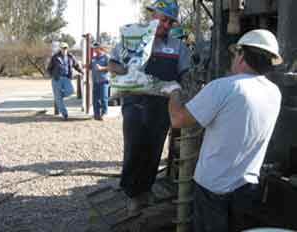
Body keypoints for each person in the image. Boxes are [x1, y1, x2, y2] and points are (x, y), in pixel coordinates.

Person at [162, 29, 283, 231]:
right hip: (247, 188)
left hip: (213, 189)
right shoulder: (274, 92)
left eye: (235, 54)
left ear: (242, 55)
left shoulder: (225, 87)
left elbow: (177, 119)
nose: (233, 60)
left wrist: (173, 91)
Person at [108, 0, 191, 214]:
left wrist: (182, 90)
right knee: (134, 147)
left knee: (154, 149)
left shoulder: (178, 47)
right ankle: (132, 194)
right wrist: (126, 71)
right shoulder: (131, 40)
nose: (166, 25)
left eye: (170, 22)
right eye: (162, 19)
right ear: (152, 16)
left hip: (162, 106)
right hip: (134, 102)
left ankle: (146, 189)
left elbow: (185, 74)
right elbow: (112, 63)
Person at [47, 42, 83, 120]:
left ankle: (58, 97)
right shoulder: (55, 57)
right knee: (59, 98)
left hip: (66, 78)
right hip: (57, 79)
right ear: (60, 48)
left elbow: (76, 65)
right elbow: (49, 68)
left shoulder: (70, 57)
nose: (64, 49)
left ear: (68, 48)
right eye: (63, 48)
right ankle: (64, 114)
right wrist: (52, 76)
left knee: (71, 91)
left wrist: (81, 72)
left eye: (66, 48)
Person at [90, 42, 110, 120]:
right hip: (95, 81)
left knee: (104, 98)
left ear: (100, 48)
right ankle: (96, 114)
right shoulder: (93, 58)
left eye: (96, 48)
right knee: (95, 99)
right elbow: (91, 66)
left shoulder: (106, 57)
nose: (94, 49)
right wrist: (86, 66)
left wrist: (102, 68)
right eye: (94, 48)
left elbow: (111, 67)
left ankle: (104, 113)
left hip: (103, 81)